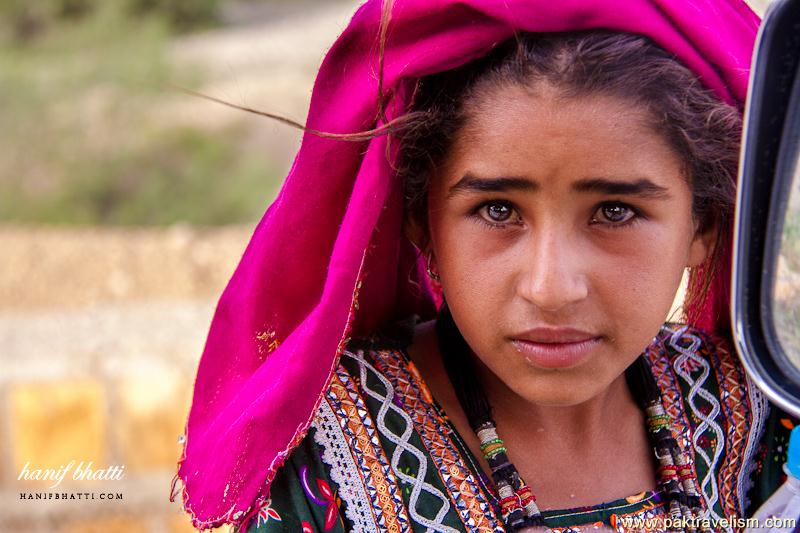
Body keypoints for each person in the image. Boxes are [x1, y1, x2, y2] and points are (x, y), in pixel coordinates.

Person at [171, 0, 798, 532]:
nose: (551, 288)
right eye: (498, 209)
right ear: (421, 220)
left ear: (706, 227)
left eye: (615, 211)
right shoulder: (334, 457)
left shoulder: (751, 417)